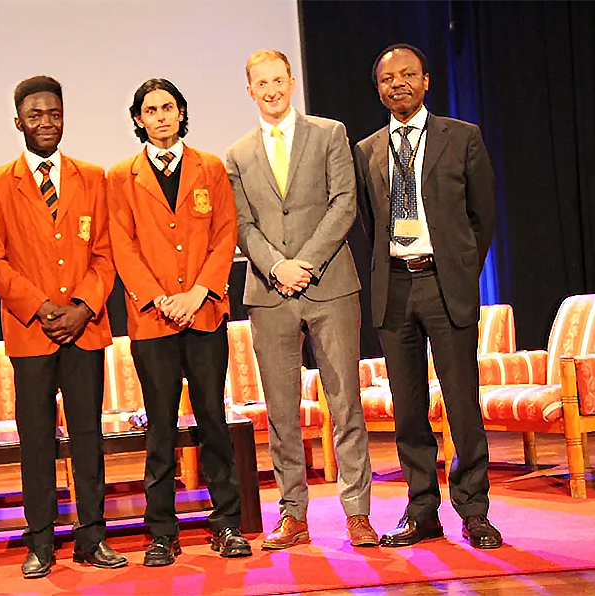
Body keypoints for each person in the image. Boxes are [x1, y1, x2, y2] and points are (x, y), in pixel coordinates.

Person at [226, 50, 377, 549]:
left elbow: (344, 203)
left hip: (330, 284)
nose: (270, 90)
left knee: (345, 403)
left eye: (277, 80)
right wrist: (276, 267)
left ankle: (357, 512)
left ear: (291, 82)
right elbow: (242, 224)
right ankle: (293, 514)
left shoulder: (330, 133)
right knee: (282, 411)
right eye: (260, 83)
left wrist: (304, 263)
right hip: (269, 294)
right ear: (249, 90)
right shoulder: (237, 153)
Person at [0, 75, 126, 579]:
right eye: (36, 115)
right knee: (36, 437)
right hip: (31, 329)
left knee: (87, 435)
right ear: (18, 121)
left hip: (84, 328)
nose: (46, 122)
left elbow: (106, 253)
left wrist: (82, 307)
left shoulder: (92, 176)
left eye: (54, 114)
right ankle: (40, 541)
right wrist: (41, 308)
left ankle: (93, 537)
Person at [353, 44, 501, 549]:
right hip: (394, 287)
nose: (398, 84)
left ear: (426, 80)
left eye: (408, 75)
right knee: (408, 410)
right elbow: (372, 226)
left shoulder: (462, 138)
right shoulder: (367, 149)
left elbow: (483, 217)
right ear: (378, 89)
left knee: (463, 405)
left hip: (444, 284)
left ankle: (474, 511)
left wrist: (460, 268)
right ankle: (422, 511)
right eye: (388, 78)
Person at [107, 78, 252, 566]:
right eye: (151, 109)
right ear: (138, 119)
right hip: (154, 321)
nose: (161, 116)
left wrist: (197, 293)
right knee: (160, 429)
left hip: (206, 314)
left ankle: (227, 523)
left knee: (213, 418)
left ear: (182, 111)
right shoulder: (120, 175)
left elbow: (225, 231)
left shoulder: (209, 167)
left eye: (169, 107)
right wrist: (159, 298)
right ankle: (161, 533)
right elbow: (121, 246)